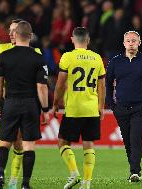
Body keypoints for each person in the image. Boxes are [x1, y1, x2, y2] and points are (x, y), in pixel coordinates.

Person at [0, 21, 49, 189]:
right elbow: (41, 87)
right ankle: (25, 183)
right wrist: (45, 109)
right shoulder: (38, 57)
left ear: (16, 34)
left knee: (4, 142)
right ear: (30, 36)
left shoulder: (4, 56)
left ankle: (0, 176)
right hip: (30, 104)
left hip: (9, 103)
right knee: (28, 146)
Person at [51, 27, 106, 189]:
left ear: (72, 39)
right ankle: (87, 183)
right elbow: (101, 85)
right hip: (91, 108)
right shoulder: (97, 58)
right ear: (88, 40)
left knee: (62, 142)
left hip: (74, 108)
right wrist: (101, 106)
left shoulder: (67, 57)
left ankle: (74, 173)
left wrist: (55, 104)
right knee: (88, 144)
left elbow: (60, 84)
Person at [105, 31, 142, 182]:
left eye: (134, 41)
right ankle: (134, 169)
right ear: (124, 43)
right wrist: (111, 104)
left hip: (140, 108)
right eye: (128, 41)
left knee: (135, 139)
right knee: (128, 141)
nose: (131, 43)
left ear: (139, 43)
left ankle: (135, 172)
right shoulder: (115, 62)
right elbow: (108, 83)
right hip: (121, 108)